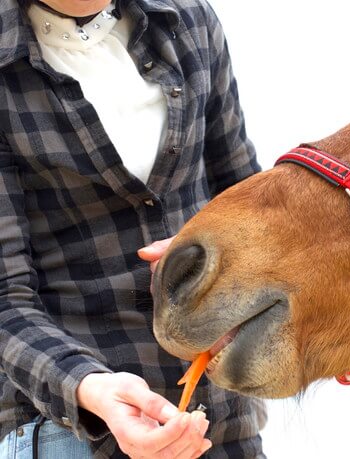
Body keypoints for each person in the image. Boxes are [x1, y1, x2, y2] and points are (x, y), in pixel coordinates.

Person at [0, 0, 266, 457]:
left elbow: (250, 208)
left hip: (222, 427)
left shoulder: (189, 20)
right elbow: (5, 297)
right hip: (72, 430)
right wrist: (91, 389)